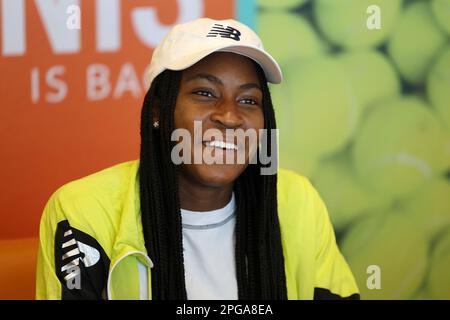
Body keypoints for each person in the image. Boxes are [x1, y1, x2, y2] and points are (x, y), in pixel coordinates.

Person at [35, 18, 359, 300]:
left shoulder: (298, 201)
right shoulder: (82, 213)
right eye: (205, 93)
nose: (230, 117)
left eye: (249, 99)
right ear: (159, 111)